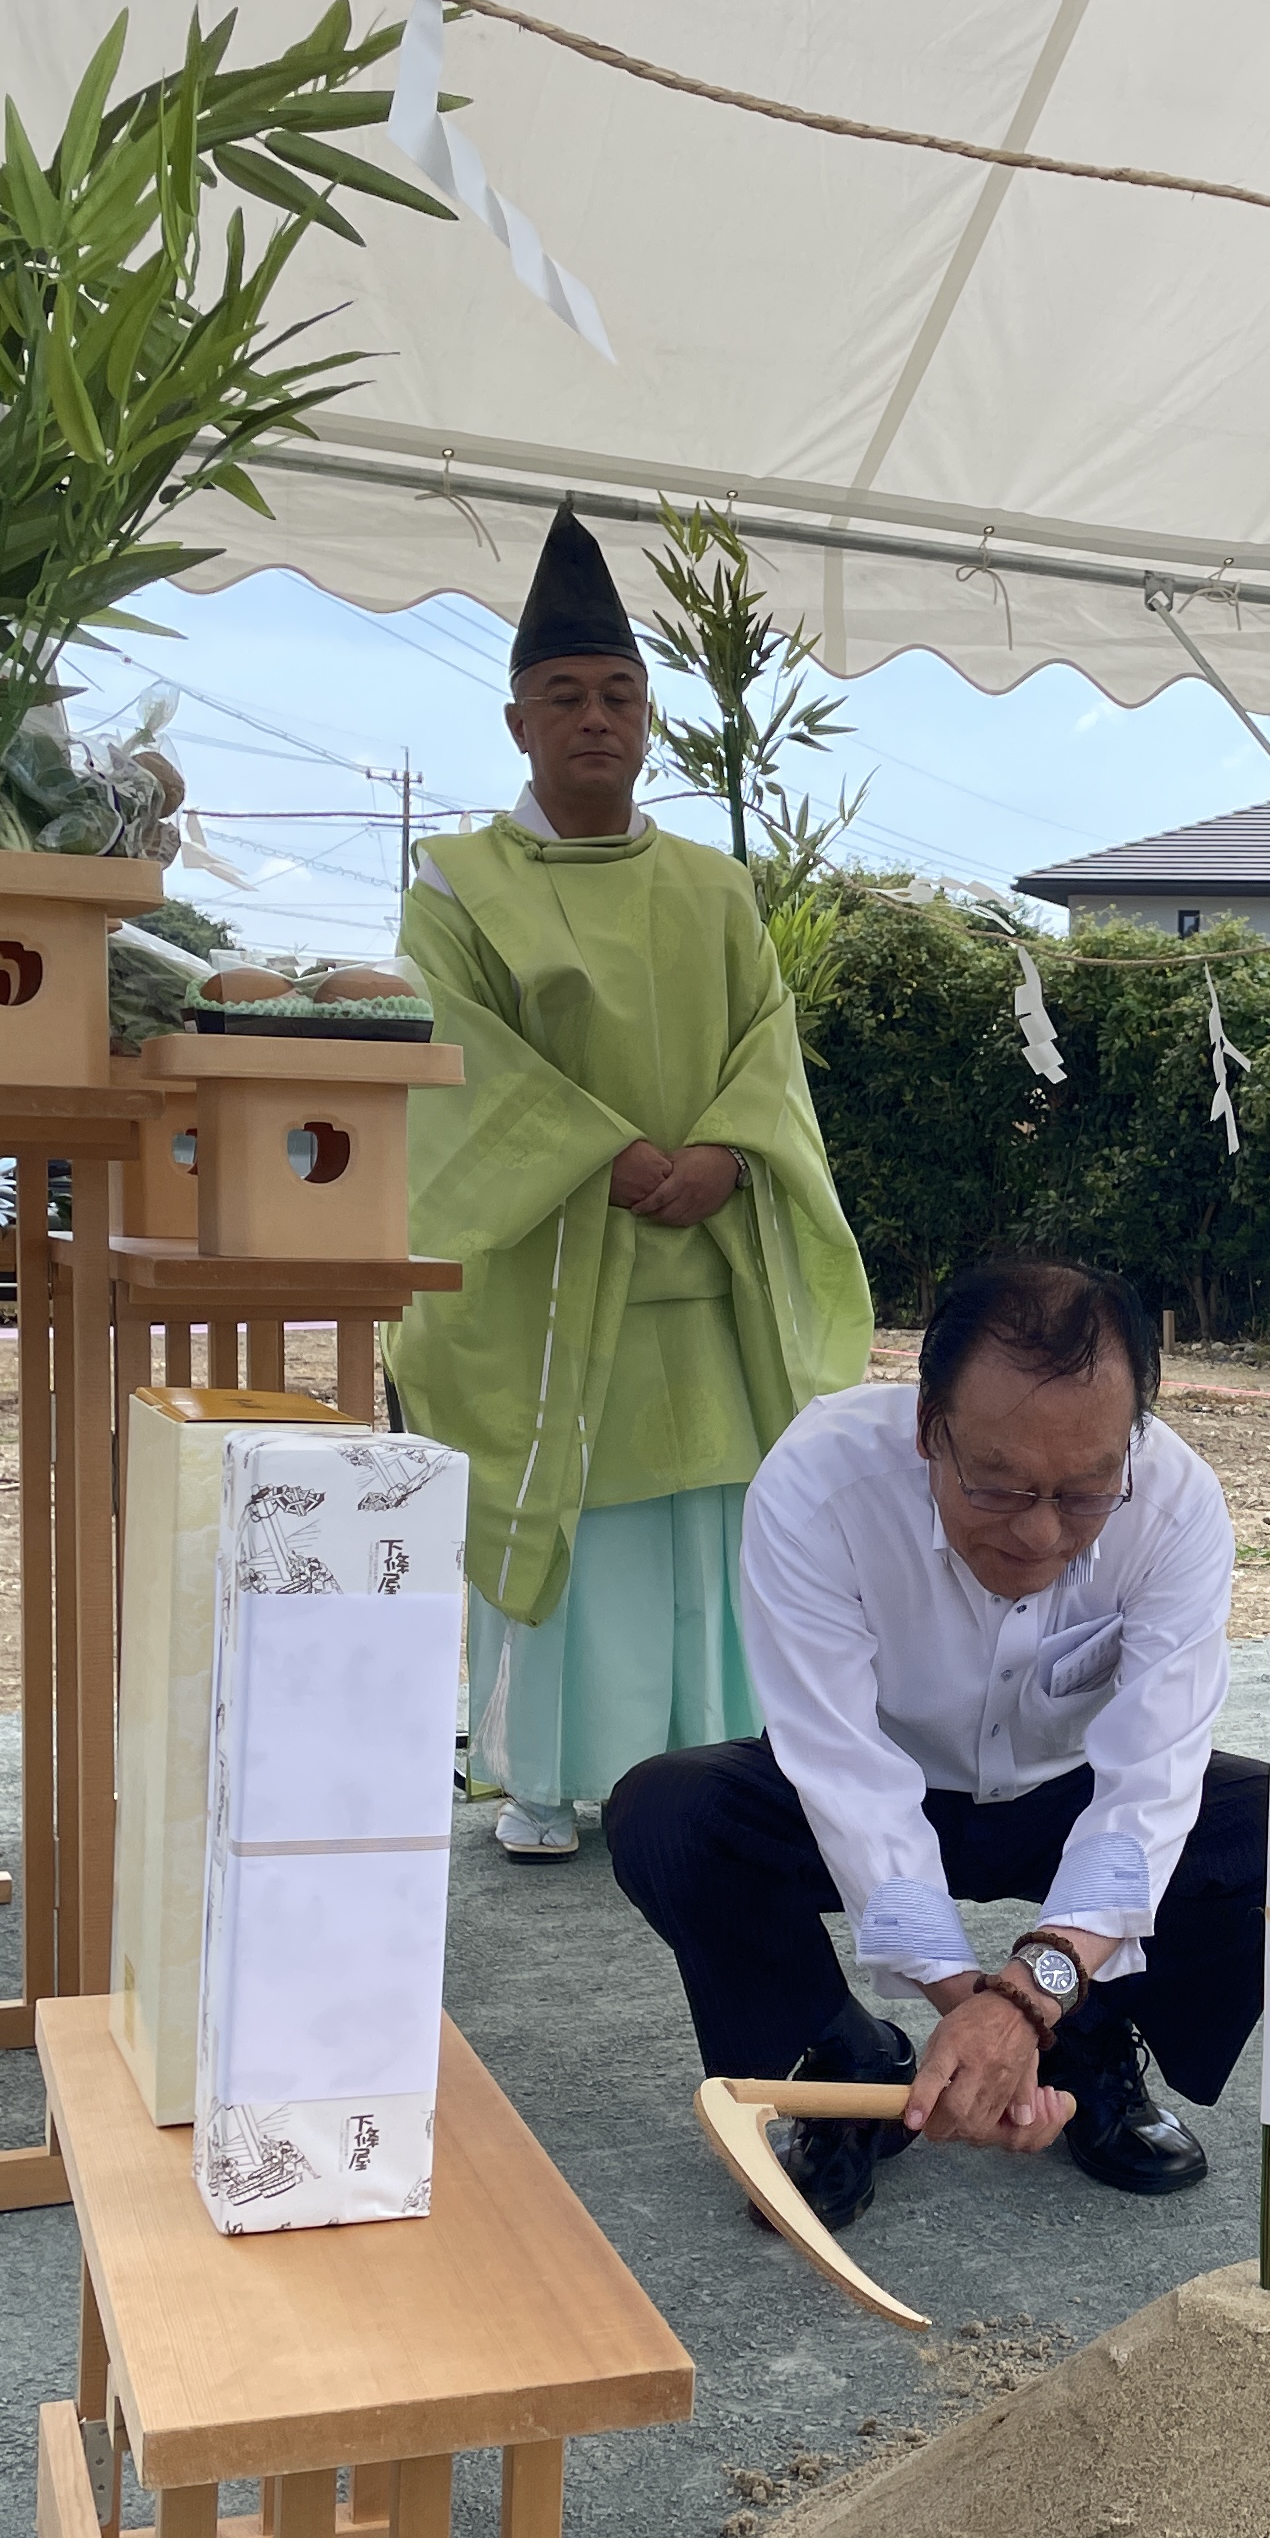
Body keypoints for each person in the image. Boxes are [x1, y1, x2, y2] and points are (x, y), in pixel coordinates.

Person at [605, 1259, 1270, 2231]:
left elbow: (1150, 1779)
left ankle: (1086, 2046)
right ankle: (838, 2072)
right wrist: (981, 2010)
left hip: (1067, 1795)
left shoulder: (1175, 1507)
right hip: (884, 1782)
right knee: (668, 1815)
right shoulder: (820, 1480)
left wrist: (1034, 2002)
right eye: (998, 1487)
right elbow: (842, 1769)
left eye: (1087, 1493)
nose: (1042, 1535)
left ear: (1131, 1444)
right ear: (929, 1428)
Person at [385, 507, 873, 1861]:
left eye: (618, 695)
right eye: (565, 697)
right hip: (557, 1271)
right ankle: (541, 1782)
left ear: (650, 718)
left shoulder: (715, 888)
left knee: (712, 1535)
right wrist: (609, 1158)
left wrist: (725, 1150)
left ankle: (706, 1782)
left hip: (706, 1272)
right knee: (575, 1527)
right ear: (517, 723)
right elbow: (456, 1048)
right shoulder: (457, 884)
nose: (595, 718)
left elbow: (766, 1042)